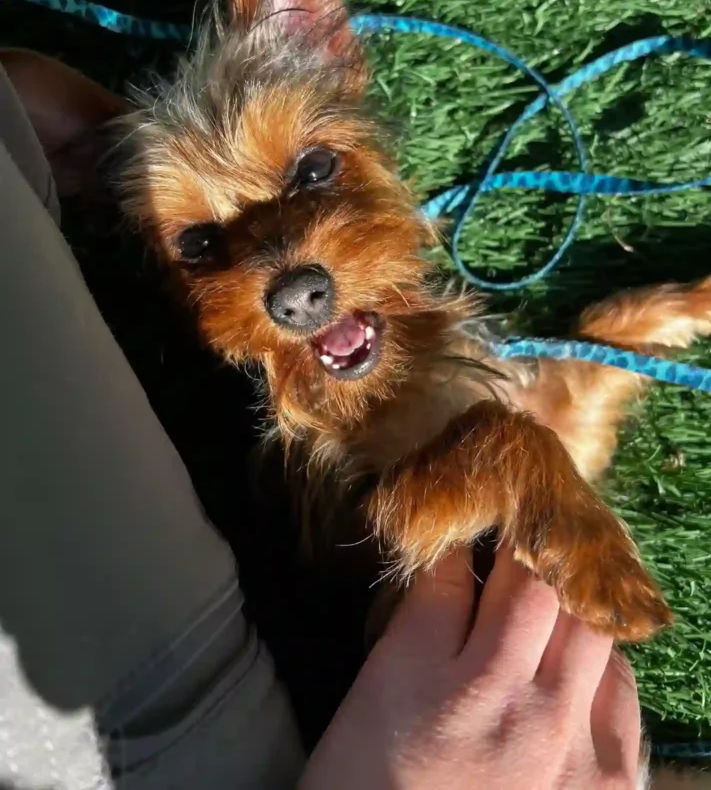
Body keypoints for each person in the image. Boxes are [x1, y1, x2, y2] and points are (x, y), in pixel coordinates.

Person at [0, 57, 674, 789]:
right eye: (200, 246)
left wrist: (642, 328)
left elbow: (543, 422)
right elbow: (401, 538)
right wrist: (522, 458)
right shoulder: (300, 453)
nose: (293, 286)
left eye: (314, 172)